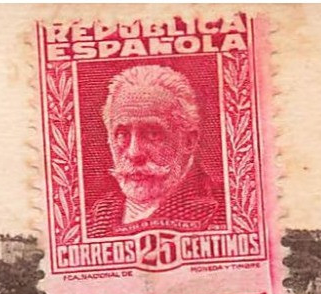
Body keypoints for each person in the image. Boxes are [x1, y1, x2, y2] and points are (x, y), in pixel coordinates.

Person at [86, 65, 225, 238]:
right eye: (122, 134)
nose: (134, 153)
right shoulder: (94, 217)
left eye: (153, 134)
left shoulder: (225, 211)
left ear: (189, 141)